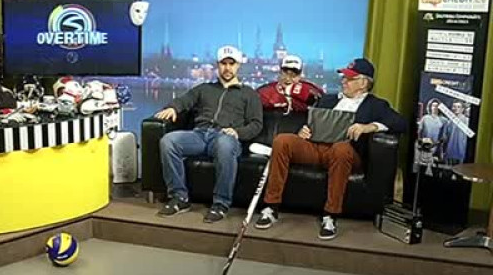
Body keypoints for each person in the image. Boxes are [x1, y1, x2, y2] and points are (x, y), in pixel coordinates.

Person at [254, 58, 406, 240]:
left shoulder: (376, 105)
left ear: (364, 83)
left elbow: (401, 123)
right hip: (316, 147)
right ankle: (271, 207)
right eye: (344, 77)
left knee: (340, 149)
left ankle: (330, 215)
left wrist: (371, 127)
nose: (344, 81)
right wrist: (305, 130)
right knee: (282, 141)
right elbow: (311, 122)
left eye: (349, 79)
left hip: (345, 152)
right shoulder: (327, 99)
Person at [154, 45, 263, 223]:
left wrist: (237, 132)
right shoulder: (204, 88)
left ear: (238, 66)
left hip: (226, 137)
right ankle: (179, 198)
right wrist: (173, 107)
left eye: (231, 64)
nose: (227, 68)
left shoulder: (249, 94)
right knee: (169, 141)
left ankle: (221, 204)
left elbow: (256, 124)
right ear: (217, 65)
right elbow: (184, 100)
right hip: (200, 135)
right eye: (223, 64)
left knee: (224, 145)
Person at [257, 55, 323, 113]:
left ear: (300, 75)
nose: (288, 78)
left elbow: (324, 110)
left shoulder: (310, 89)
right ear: (280, 73)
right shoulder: (265, 92)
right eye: (285, 73)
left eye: (293, 75)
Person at [444, 101, 469, 165]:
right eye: (454, 106)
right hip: (450, 151)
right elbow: (445, 137)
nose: (456, 108)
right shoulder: (449, 122)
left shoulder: (467, 121)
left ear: (462, 109)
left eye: (458, 107)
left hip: (462, 152)